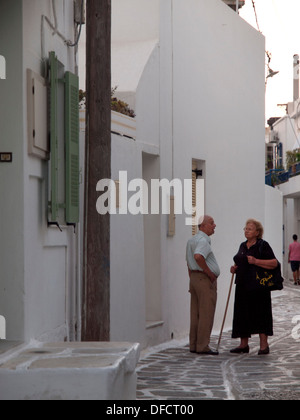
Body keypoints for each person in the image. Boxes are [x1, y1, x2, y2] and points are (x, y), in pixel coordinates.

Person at [230, 219, 278, 356]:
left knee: (261, 314)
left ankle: (264, 345)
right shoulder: (242, 245)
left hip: (259, 287)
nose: (246, 230)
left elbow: (274, 263)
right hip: (243, 286)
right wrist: (234, 269)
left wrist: (256, 261)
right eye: (245, 228)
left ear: (257, 232)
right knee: (242, 314)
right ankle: (243, 344)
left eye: (249, 229)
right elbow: (239, 261)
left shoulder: (263, 245)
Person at [186, 215, 220, 355]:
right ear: (203, 226)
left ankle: (194, 344)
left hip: (194, 278)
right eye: (211, 223)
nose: (214, 225)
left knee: (195, 313)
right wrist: (209, 273)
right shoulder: (203, 241)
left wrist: (192, 279)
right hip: (204, 279)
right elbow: (198, 256)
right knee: (206, 312)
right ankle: (203, 346)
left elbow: (188, 262)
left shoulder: (191, 240)